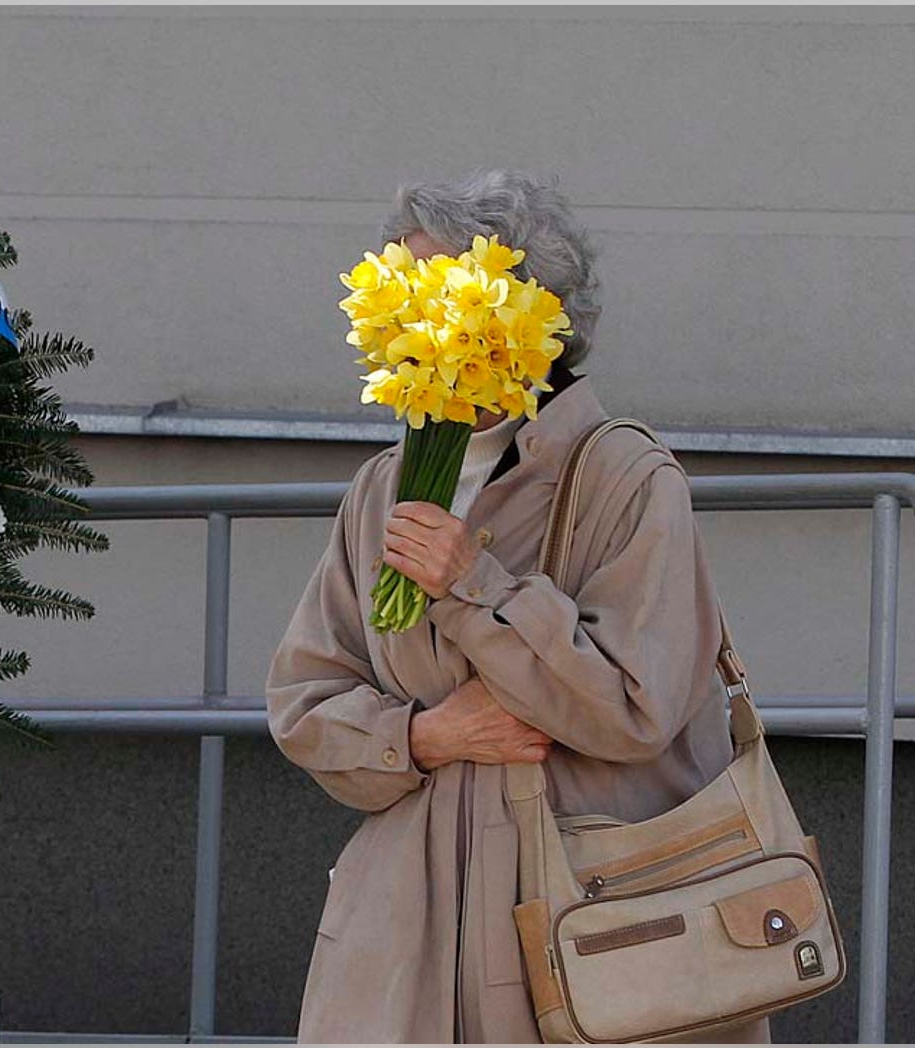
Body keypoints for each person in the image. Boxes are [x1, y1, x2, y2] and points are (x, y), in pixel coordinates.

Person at [264, 169, 763, 1042]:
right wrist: (422, 738)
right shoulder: (386, 484)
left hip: (589, 936)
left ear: (525, 308)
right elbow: (303, 701)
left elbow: (633, 709)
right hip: (406, 949)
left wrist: (475, 587)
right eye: (403, 286)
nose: (415, 316)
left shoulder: (626, 478)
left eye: (439, 288)